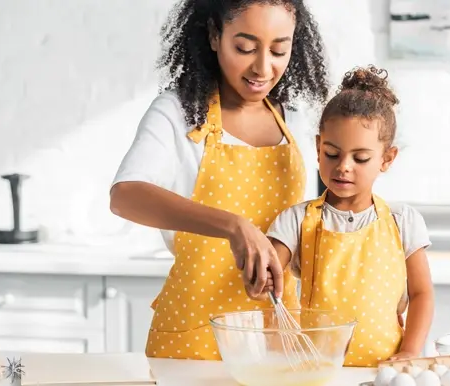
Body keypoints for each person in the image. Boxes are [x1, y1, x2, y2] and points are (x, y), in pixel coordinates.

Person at [109, 0, 331, 360]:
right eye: (244, 48)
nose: (263, 67)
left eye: (279, 50)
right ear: (214, 35)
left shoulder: (294, 119)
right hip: (194, 334)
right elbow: (125, 196)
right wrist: (233, 226)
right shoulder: (178, 111)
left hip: (277, 333)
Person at [264, 65, 435, 367]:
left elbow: (421, 294)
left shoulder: (402, 221)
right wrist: (263, 275)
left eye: (361, 158)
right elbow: (270, 273)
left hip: (385, 372)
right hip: (317, 371)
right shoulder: (296, 220)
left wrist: (409, 352)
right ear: (318, 148)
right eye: (332, 153)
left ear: (387, 158)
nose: (343, 166)